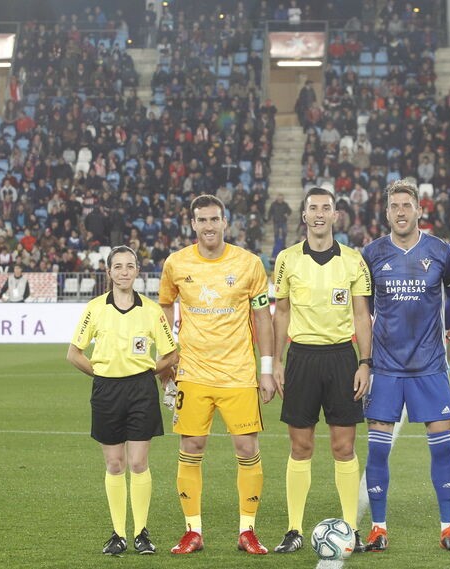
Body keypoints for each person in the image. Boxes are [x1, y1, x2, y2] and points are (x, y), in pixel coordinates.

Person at [157, 195, 277, 555]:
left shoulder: (249, 264)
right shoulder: (176, 263)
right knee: (191, 447)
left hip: (239, 373)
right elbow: (164, 305)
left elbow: (262, 317)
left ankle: (247, 530)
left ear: (225, 222)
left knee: (247, 448)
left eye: (214, 219)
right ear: (192, 224)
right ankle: (192, 530)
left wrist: (267, 369)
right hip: (192, 372)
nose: (208, 226)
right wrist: (168, 354)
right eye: (201, 220)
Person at [359, 180, 450, 552]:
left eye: (407, 205)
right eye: (394, 207)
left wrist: (445, 325)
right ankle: (377, 528)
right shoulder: (371, 254)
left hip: (430, 367)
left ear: (420, 209)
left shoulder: (441, 251)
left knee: (441, 449)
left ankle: (449, 527)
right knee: (377, 451)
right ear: (386, 212)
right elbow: (362, 309)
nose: (401, 212)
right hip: (385, 369)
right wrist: (365, 360)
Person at [272, 187, 372, 554]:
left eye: (325, 208)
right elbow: (280, 312)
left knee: (343, 447)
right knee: (301, 446)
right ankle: (294, 528)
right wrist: (277, 361)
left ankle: (351, 529)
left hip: (342, 358)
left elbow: (362, 315)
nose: (318, 214)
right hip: (301, 358)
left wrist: (365, 362)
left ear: (335, 215)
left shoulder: (353, 260)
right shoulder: (286, 259)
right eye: (312, 208)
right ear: (304, 215)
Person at [67, 245, 179, 556]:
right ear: (109, 272)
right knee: (115, 464)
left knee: (138, 462)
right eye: (118, 266)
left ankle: (141, 533)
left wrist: (148, 372)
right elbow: (73, 353)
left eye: (130, 266)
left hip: (142, 390)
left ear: (137, 271)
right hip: (106, 391)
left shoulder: (152, 310)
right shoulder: (95, 308)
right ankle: (118, 533)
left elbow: (171, 352)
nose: (124, 271)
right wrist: (100, 373)